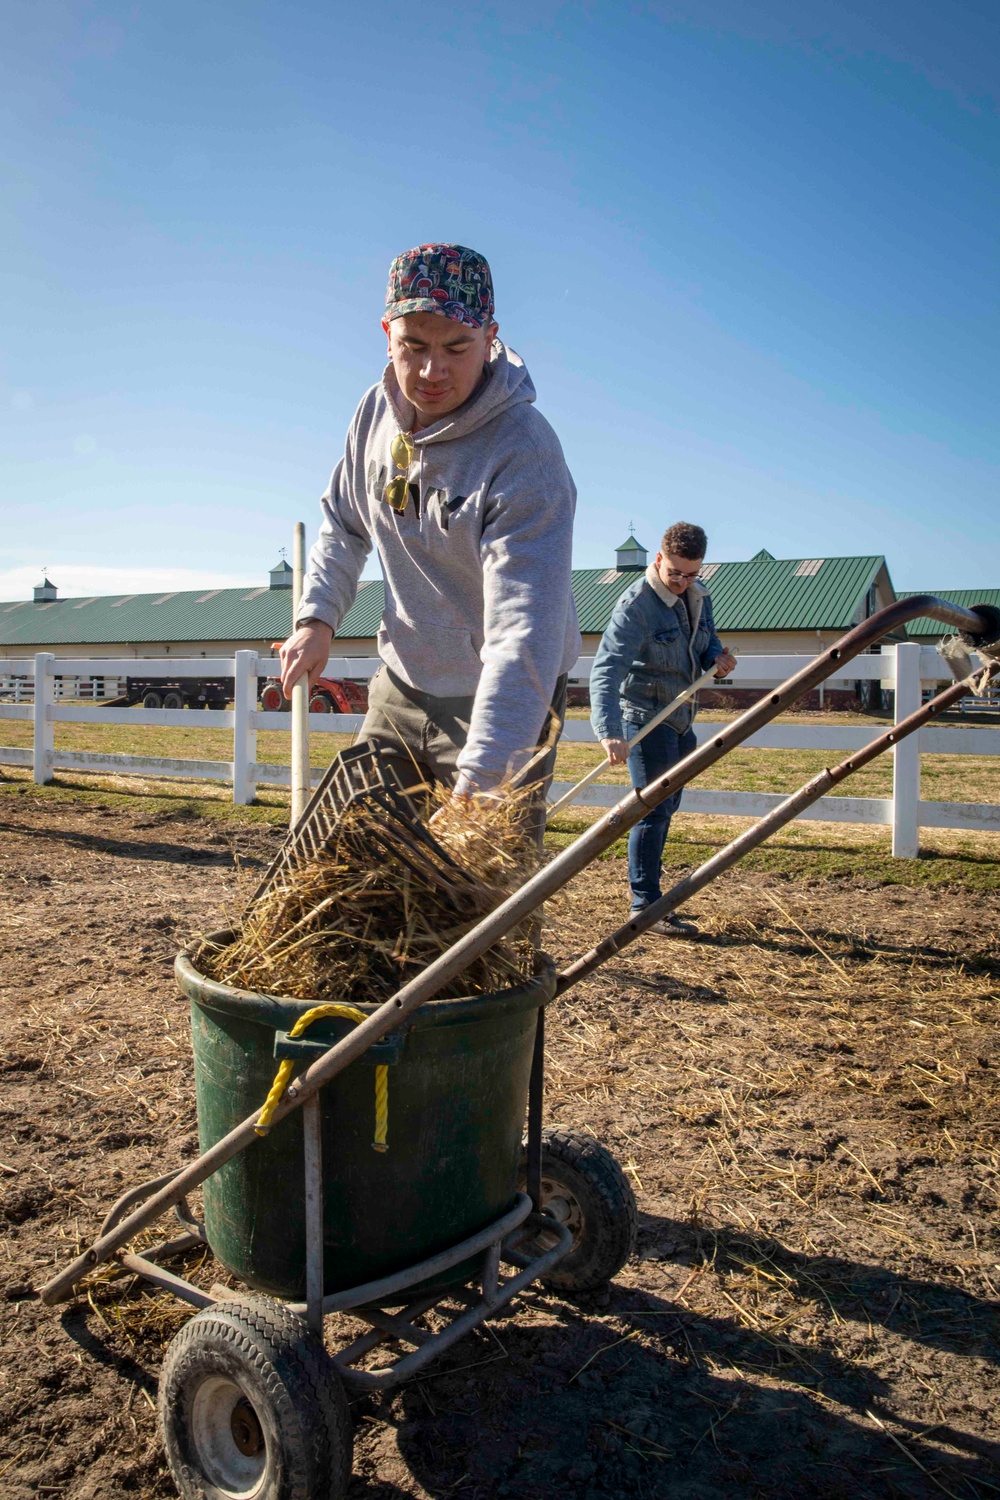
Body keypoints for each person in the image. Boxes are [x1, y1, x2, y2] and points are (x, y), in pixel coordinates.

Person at [277, 243, 580, 825]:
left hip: (500, 692)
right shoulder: (374, 413)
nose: (430, 371)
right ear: (387, 333)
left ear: (490, 337)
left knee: (483, 887)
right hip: (402, 681)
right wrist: (316, 621)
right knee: (359, 855)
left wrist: (488, 770)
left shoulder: (524, 452)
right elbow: (344, 522)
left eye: (456, 347)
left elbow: (523, 632)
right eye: (412, 346)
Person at [589, 522, 736, 934]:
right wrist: (609, 731)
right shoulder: (635, 605)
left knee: (668, 807)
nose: (682, 582)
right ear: (658, 559)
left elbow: (706, 642)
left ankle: (648, 897)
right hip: (643, 717)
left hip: (681, 717)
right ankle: (644, 906)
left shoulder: (698, 595)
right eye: (675, 573)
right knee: (652, 809)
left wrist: (717, 661)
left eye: (692, 573)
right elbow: (606, 670)